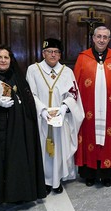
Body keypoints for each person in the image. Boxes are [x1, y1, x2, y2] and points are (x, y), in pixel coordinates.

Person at [0, 45, 47, 209]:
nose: (3, 60)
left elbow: (28, 103)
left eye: (6, 57)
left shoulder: (17, 77)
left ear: (11, 60)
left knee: (15, 161)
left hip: (15, 130)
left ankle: (18, 195)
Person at [26, 38, 84, 195]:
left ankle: (57, 180)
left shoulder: (67, 71)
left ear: (60, 55)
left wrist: (64, 108)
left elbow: (73, 93)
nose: (53, 55)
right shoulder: (33, 70)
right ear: (43, 53)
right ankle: (44, 180)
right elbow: (30, 94)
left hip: (60, 119)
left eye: (56, 52)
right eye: (49, 51)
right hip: (41, 119)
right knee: (43, 150)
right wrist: (43, 111)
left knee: (59, 148)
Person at [74, 26, 111, 187]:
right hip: (88, 107)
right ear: (93, 38)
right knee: (89, 136)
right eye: (99, 36)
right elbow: (75, 84)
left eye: (105, 37)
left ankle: (107, 175)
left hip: (110, 108)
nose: (101, 40)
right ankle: (89, 174)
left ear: (109, 40)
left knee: (109, 138)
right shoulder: (83, 57)